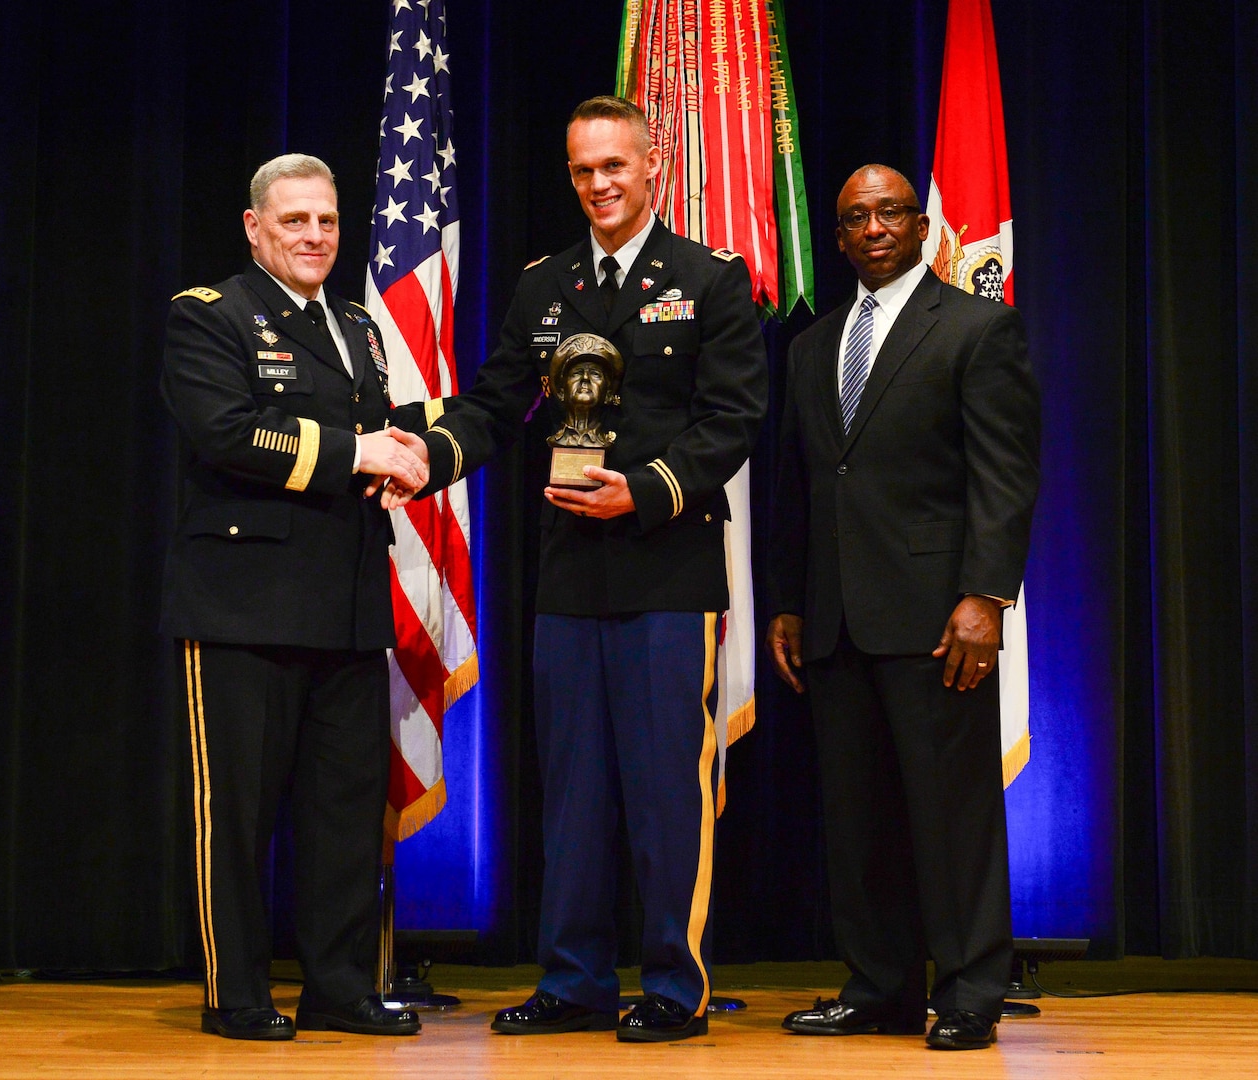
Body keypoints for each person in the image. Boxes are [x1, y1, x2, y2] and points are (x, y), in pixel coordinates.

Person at [390, 96, 767, 1042]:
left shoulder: (711, 279)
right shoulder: (544, 286)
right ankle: (574, 980)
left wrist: (640, 491)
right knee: (573, 788)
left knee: (663, 791)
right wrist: (422, 456)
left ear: (653, 167)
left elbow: (731, 421)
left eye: (614, 166)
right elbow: (493, 404)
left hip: (668, 573)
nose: (599, 184)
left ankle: (675, 988)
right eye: (582, 170)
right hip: (568, 575)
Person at [765, 164, 1039, 1051]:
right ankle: (878, 985)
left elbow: (1003, 476)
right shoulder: (811, 347)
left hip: (937, 618)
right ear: (838, 239)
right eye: (855, 218)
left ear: (922, 227)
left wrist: (986, 597)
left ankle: (969, 992)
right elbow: (804, 486)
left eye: (890, 212)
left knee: (952, 813)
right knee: (858, 817)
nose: (874, 227)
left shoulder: (976, 327)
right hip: (835, 618)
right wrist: (789, 603)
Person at [160, 153, 431, 1041]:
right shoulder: (210, 317)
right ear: (254, 228)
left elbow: (380, 426)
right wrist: (361, 456)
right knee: (235, 815)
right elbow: (227, 433)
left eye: (325, 221)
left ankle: (341, 986)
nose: (314, 236)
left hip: (348, 598)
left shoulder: (355, 321)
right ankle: (236, 994)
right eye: (294, 222)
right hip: (245, 602)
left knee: (345, 810)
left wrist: (408, 459)